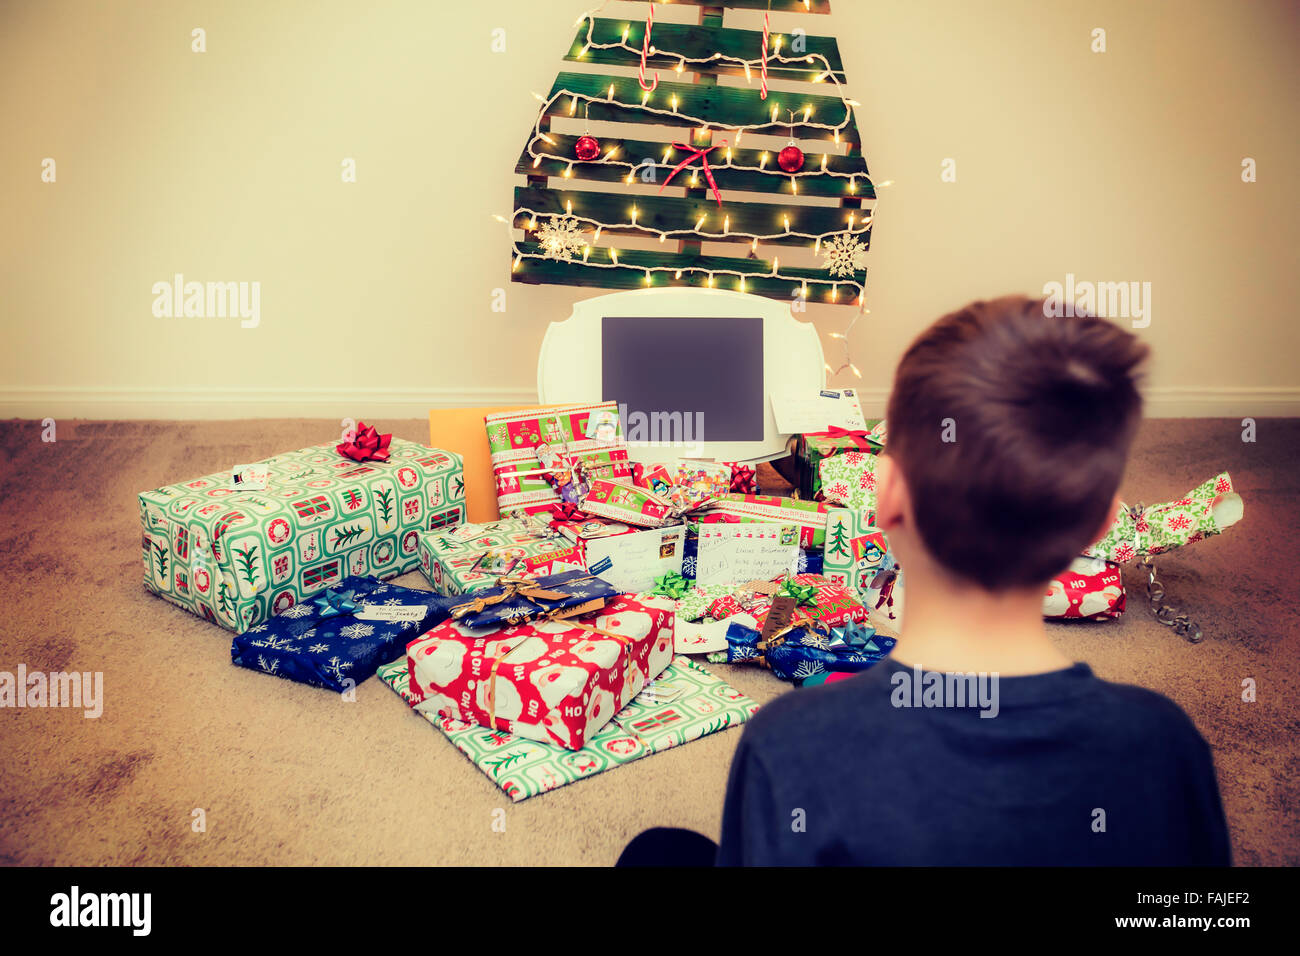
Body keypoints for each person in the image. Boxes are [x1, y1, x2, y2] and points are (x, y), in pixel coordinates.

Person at [618, 295, 1231, 867]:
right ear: (1099, 525)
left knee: (658, 853)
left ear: (883, 496)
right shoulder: (1164, 746)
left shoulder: (790, 743)